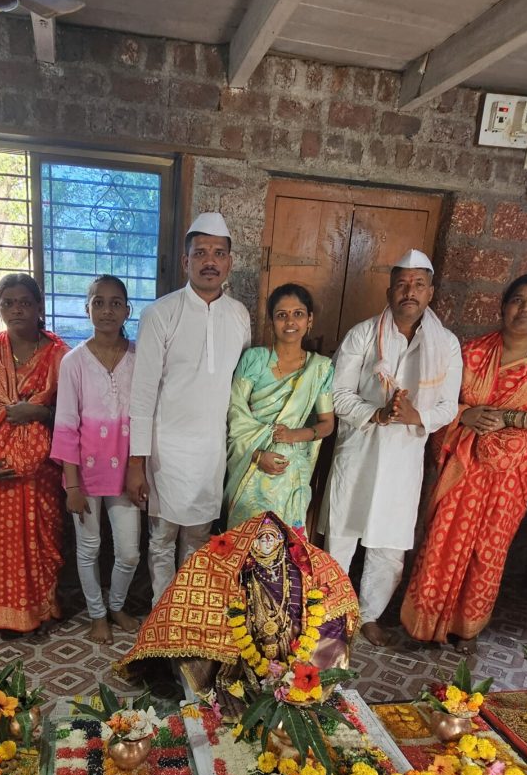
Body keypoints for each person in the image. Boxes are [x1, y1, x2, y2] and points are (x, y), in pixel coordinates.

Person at [401, 273, 527, 650]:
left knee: (489, 549)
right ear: (503, 306)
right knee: (442, 542)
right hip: (463, 467)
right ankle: (424, 624)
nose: (526, 308)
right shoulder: (472, 352)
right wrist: (465, 414)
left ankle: (466, 629)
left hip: (511, 476)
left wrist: (513, 418)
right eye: (518, 299)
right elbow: (438, 402)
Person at [321, 251, 462, 646]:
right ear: (389, 291)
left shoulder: (447, 345)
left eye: (418, 284)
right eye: (402, 284)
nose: (409, 292)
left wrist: (416, 415)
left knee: (390, 545)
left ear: (430, 292)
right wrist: (378, 414)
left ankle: (369, 616)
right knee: (341, 535)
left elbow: (448, 406)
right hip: (360, 449)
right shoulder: (363, 334)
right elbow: (338, 393)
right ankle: (330, 612)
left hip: (404, 457)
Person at [127, 212, 251, 605]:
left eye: (218, 253)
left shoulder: (239, 315)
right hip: (166, 449)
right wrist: (136, 462)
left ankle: (188, 611)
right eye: (200, 253)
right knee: (162, 538)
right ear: (186, 261)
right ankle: (163, 614)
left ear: (230, 262)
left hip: (211, 451)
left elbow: (242, 386)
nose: (210, 261)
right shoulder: (159, 313)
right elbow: (142, 394)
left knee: (199, 538)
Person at [118, 511, 359, 692]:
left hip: (294, 646)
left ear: (281, 540)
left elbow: (325, 594)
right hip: (245, 649)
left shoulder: (298, 568)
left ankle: (297, 683)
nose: (267, 543)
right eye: (261, 538)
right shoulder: (239, 566)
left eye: (272, 537)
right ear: (251, 542)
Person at [0, 274, 69, 635]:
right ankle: (0, 613)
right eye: (7, 303)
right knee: (0, 543)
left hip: (42, 470)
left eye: (24, 302)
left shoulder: (60, 357)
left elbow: (75, 414)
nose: (16, 309)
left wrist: (38, 412)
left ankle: (41, 609)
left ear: (39, 306)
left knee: (40, 541)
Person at [51, 275, 141, 644]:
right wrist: (72, 485)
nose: (107, 310)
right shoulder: (73, 362)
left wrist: (141, 468)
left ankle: (116, 605)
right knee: (89, 548)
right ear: (87, 308)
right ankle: (97, 614)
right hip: (85, 477)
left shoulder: (139, 357)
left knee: (130, 552)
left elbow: (145, 415)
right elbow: (66, 425)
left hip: (128, 473)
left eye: (115, 303)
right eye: (98, 302)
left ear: (127, 310)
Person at [224, 283, 334, 534]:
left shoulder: (320, 368)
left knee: (286, 545)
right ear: (271, 321)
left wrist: (294, 435)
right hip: (251, 463)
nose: (290, 321)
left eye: (298, 314)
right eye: (282, 315)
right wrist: (256, 455)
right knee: (246, 544)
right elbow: (234, 412)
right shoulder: (254, 359)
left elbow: (327, 424)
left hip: (291, 470)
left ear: (309, 320)